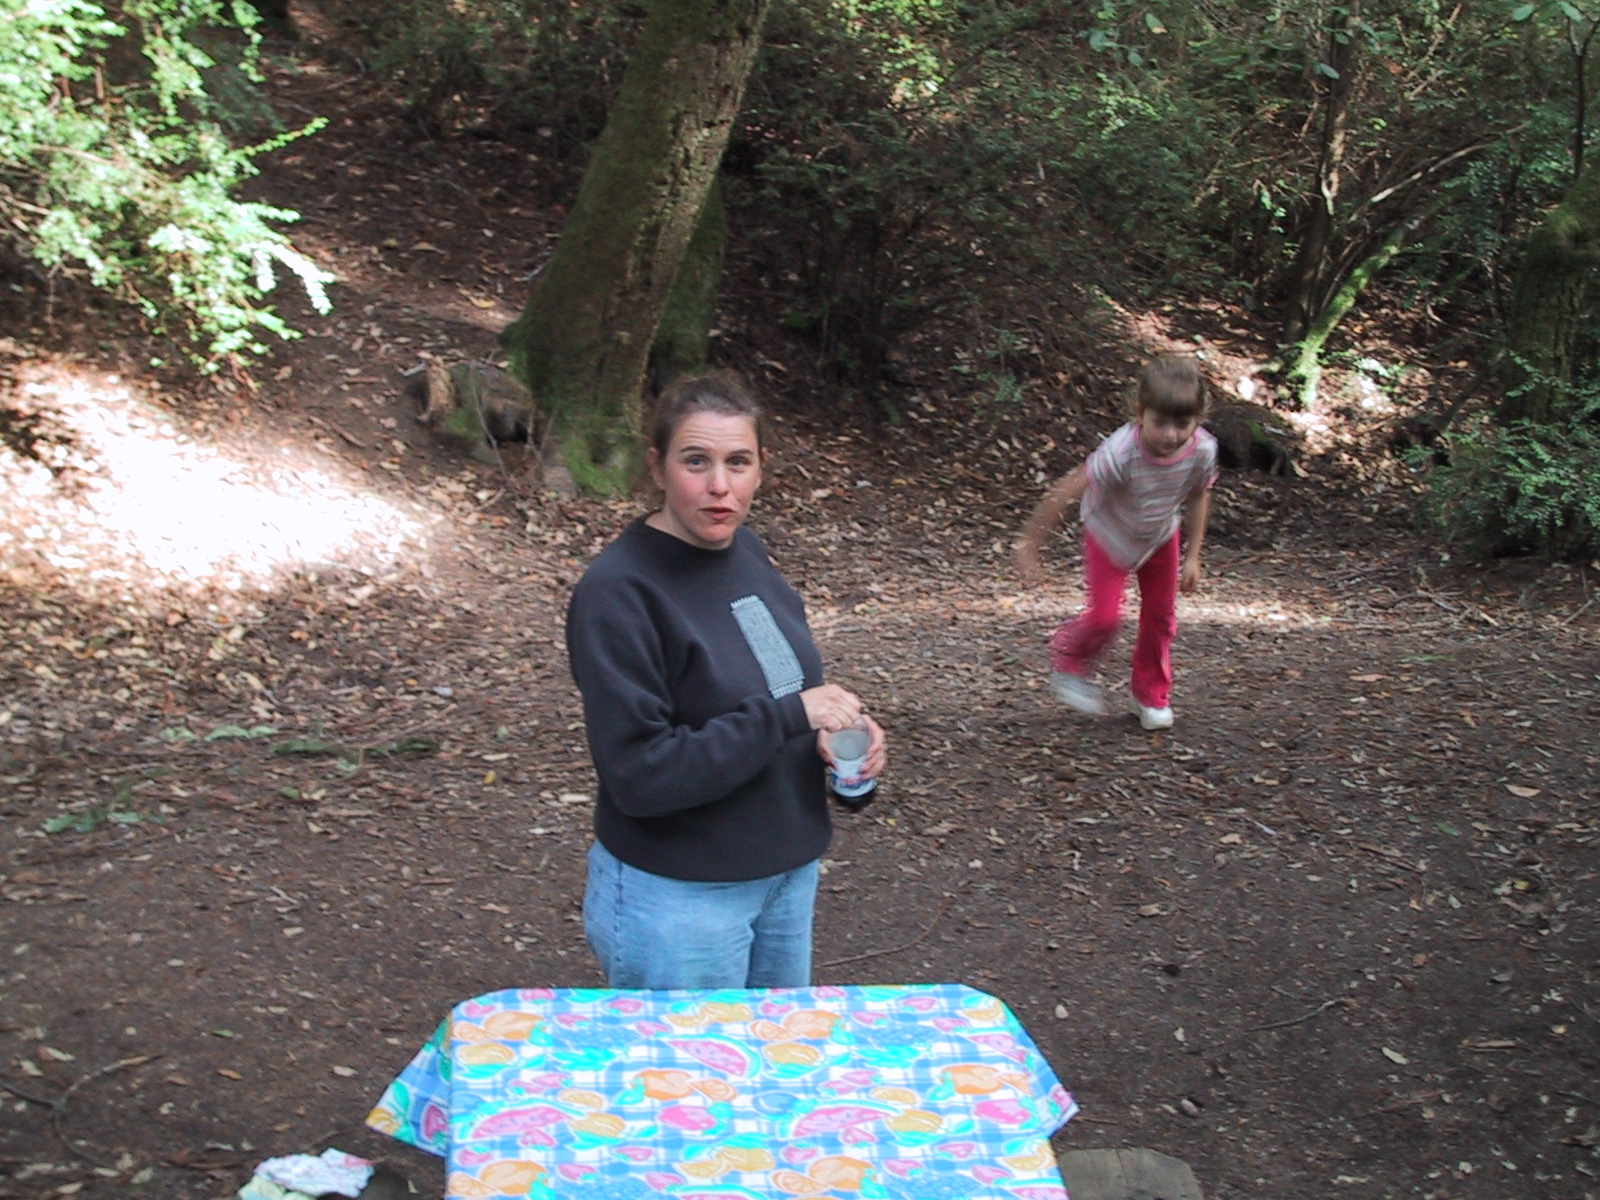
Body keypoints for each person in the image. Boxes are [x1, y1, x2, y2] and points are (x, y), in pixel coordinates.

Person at [565, 371, 887, 990]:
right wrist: (793, 716)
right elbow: (639, 775)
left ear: (761, 469)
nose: (719, 486)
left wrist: (836, 741)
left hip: (785, 880)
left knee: (774, 1054)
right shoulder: (619, 593)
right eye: (696, 461)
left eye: (738, 462)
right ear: (657, 467)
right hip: (680, 900)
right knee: (690, 1059)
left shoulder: (748, 555)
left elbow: (778, 693)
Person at [1015, 355, 1218, 730]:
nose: (1171, 435)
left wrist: (1194, 555)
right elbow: (1068, 489)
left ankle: (1150, 695)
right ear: (1141, 414)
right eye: (1160, 422)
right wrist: (1029, 544)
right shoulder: (1122, 452)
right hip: (1109, 535)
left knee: (1161, 620)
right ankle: (1071, 658)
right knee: (1105, 618)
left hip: (1159, 537)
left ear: (1198, 420)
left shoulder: (1203, 451)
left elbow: (1198, 496)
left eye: (1182, 424)